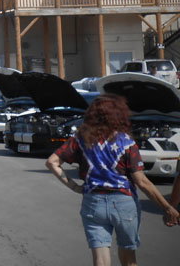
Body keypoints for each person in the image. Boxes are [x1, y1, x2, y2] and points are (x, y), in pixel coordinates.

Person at [45, 94, 179, 266]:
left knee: (100, 259)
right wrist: (167, 208)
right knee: (129, 257)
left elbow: (52, 162)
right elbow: (141, 182)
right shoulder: (126, 142)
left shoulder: (80, 139)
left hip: (93, 202)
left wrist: (75, 187)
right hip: (124, 203)